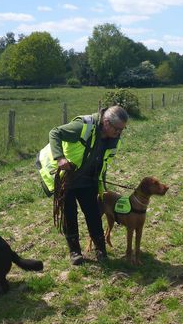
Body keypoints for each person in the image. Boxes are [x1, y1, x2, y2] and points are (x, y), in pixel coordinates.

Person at [37, 105, 128, 266]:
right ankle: (75, 252)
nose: (119, 133)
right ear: (106, 122)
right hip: (67, 179)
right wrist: (60, 158)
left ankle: (100, 249)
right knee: (69, 215)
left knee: (93, 213)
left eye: (122, 130)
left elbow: (103, 162)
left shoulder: (113, 140)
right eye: (117, 129)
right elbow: (55, 133)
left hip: (88, 181)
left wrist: (101, 182)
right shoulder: (83, 126)